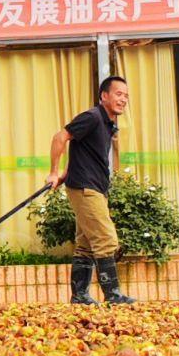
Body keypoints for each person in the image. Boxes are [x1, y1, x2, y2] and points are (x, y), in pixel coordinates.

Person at [52, 73, 135, 306]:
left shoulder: (107, 123)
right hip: (86, 188)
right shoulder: (93, 116)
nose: (123, 100)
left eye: (126, 96)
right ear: (104, 96)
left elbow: (79, 149)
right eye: (118, 94)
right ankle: (113, 295)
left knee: (86, 243)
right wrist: (53, 171)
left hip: (91, 186)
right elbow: (61, 137)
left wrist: (66, 173)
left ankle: (80, 296)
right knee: (106, 238)